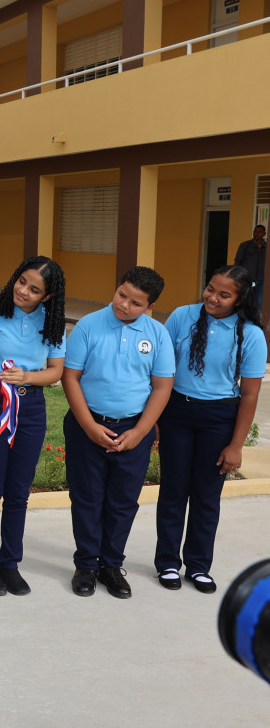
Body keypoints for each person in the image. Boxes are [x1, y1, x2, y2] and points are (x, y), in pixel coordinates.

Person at [62, 266, 174, 599]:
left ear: (150, 307)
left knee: (123, 501)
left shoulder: (158, 334)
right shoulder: (88, 326)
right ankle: (86, 564)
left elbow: (162, 386)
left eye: (135, 303)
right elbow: (71, 378)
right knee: (86, 498)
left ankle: (111, 565)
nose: (123, 305)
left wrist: (140, 431)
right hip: (87, 424)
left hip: (133, 430)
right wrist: (89, 426)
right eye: (121, 294)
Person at [155, 265, 265, 593]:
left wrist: (236, 445)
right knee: (173, 491)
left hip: (219, 418)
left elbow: (250, 394)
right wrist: (155, 419)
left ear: (239, 299)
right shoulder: (182, 316)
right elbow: (160, 370)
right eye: (210, 289)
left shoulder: (252, 335)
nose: (213, 298)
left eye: (224, 294)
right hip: (176, 412)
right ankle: (168, 563)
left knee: (206, 496)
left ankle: (199, 566)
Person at [0, 256, 67, 597]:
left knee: (19, 492)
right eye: (22, 281)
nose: (23, 291)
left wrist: (27, 377)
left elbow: (56, 371)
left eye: (35, 289)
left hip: (31, 407)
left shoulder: (52, 321)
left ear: (47, 296)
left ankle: (10, 564)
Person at [233, 224, 266, 313]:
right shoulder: (245, 245)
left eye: (259, 232)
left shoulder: (267, 247)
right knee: (245, 301)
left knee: (259, 303)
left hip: (262, 280)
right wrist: (236, 276)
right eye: (255, 231)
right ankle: (242, 319)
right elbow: (238, 261)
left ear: (264, 234)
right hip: (247, 279)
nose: (257, 234)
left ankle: (255, 320)